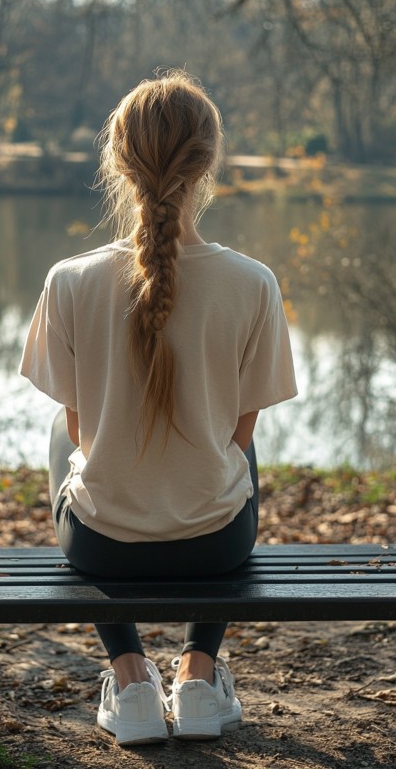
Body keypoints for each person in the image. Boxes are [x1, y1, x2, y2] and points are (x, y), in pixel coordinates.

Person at [19, 70, 297, 746]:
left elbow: (82, 433)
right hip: (218, 545)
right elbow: (240, 435)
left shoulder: (69, 280)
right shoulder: (253, 282)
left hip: (101, 547)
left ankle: (133, 679)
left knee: (64, 428)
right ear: (208, 162)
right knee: (235, 438)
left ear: (116, 157)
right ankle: (199, 675)